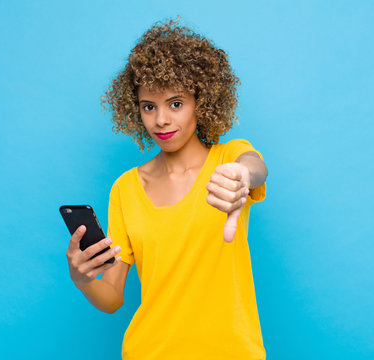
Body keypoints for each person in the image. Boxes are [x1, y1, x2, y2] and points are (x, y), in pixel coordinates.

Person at [66, 18, 269, 359]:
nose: (161, 120)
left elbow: (255, 167)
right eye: (149, 106)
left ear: (200, 102)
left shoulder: (228, 160)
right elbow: (113, 296)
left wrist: (243, 177)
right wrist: (81, 278)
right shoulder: (126, 189)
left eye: (175, 103)